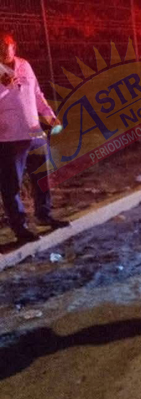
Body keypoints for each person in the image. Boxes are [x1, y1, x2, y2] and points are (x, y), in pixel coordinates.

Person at [0, 31, 69, 243]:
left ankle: (44, 215)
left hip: (34, 131)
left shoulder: (24, 65)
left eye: (6, 45)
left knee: (41, 177)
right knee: (11, 185)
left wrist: (49, 116)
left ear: (14, 46)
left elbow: (37, 93)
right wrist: (3, 86)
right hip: (10, 138)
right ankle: (20, 227)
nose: (3, 49)